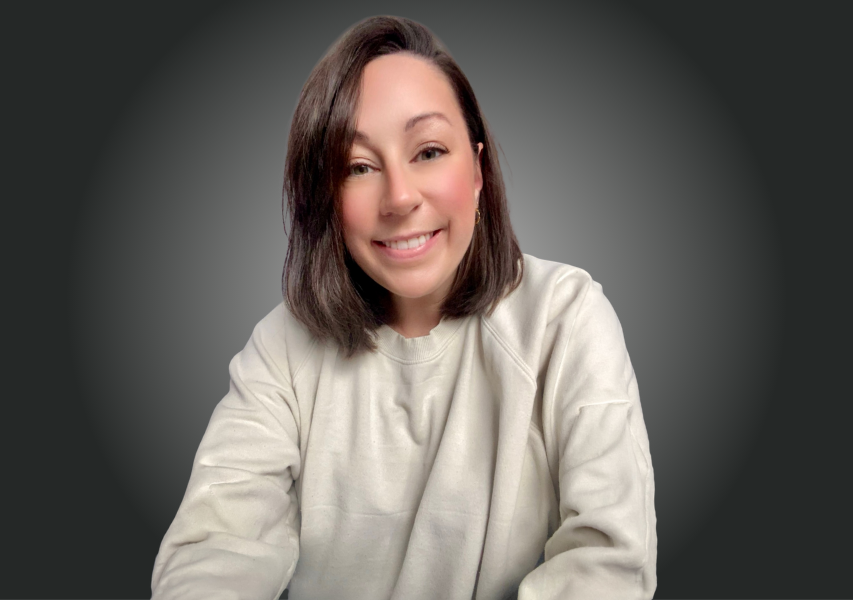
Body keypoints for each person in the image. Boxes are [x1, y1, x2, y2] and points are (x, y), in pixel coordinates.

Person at [150, 15, 656, 600]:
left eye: (429, 151)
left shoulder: (565, 318)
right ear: (327, 197)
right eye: (359, 167)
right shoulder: (283, 346)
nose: (399, 197)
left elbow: (608, 563)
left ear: (478, 171)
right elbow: (217, 545)